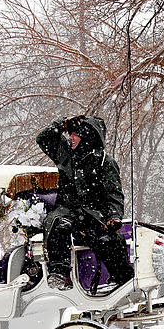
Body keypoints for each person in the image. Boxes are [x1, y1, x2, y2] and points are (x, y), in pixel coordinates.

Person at [36, 115, 134, 290]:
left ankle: (123, 279)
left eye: (75, 134)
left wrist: (113, 217)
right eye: (70, 134)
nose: (71, 137)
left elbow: (114, 194)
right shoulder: (65, 154)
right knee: (59, 225)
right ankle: (60, 273)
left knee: (109, 239)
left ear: (88, 137)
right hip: (67, 211)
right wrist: (62, 123)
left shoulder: (105, 163)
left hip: (93, 215)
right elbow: (43, 138)